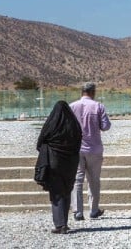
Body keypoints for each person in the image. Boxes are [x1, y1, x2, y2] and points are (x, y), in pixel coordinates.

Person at [35, 100, 82, 234]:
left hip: (54, 161)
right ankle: (64, 223)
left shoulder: (52, 124)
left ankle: (60, 224)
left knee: (56, 192)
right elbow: (79, 141)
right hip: (71, 163)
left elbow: (41, 141)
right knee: (66, 190)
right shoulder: (74, 125)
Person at [70, 82, 111, 221]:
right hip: (94, 148)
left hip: (76, 148)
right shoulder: (98, 106)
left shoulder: (72, 106)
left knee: (77, 180)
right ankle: (93, 210)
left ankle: (77, 211)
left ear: (82, 92)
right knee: (94, 180)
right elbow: (105, 126)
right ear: (93, 92)